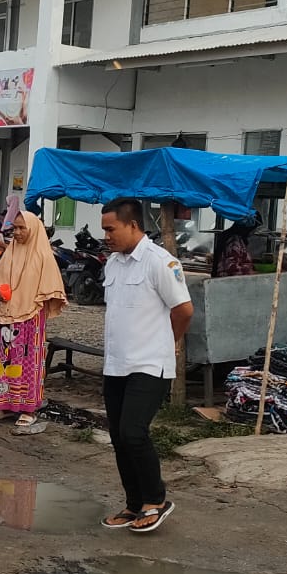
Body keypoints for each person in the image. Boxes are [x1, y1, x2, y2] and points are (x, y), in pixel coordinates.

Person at [98, 197, 194, 534]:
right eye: (104, 229)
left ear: (133, 225)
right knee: (119, 437)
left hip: (150, 363)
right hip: (116, 363)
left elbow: (184, 309)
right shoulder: (113, 264)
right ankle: (134, 503)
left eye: (111, 228)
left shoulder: (159, 262)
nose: (106, 235)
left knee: (133, 432)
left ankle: (156, 500)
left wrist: (168, 343)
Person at [0, 210, 67, 433]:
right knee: (4, 360)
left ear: (33, 229)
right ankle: (3, 404)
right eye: (15, 228)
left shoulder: (42, 255)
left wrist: (35, 298)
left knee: (27, 363)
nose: (18, 232)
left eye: (23, 228)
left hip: (30, 317)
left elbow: (52, 286)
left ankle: (28, 409)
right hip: (5, 315)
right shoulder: (9, 252)